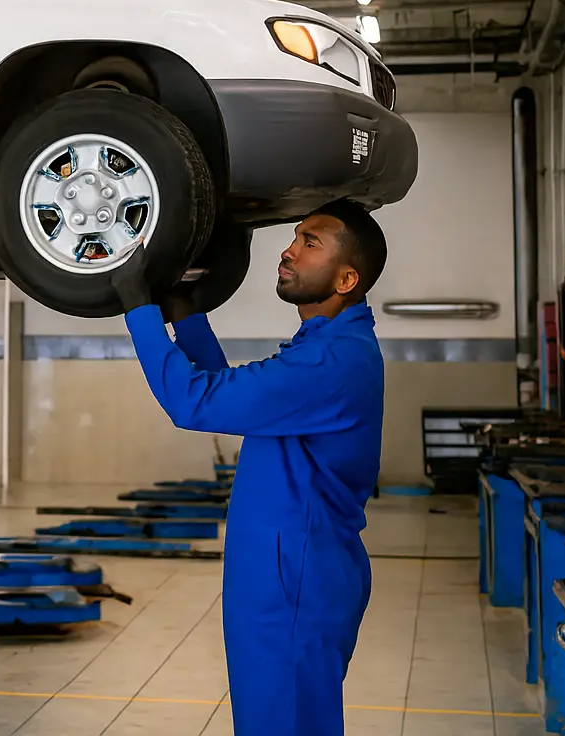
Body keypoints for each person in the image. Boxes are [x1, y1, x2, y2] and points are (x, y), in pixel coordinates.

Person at [110, 199, 388, 736]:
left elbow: (193, 403)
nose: (289, 251)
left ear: (347, 277)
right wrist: (185, 312)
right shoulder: (327, 345)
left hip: (293, 580)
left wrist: (138, 307)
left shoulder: (331, 362)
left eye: (311, 243)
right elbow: (241, 401)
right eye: (295, 237)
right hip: (286, 570)